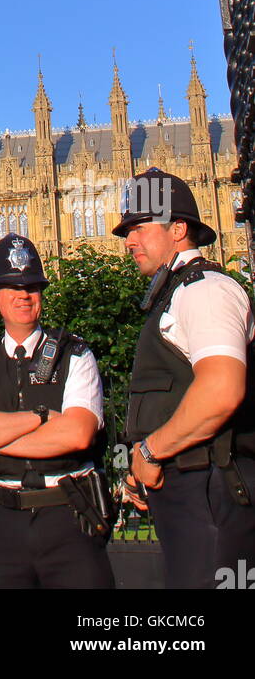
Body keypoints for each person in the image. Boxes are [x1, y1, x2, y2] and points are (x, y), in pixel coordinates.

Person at [113, 166, 255, 589]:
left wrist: (152, 451)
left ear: (178, 229)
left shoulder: (205, 289)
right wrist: (141, 470)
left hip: (215, 497)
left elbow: (221, 390)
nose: (129, 240)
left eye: (139, 227)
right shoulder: (176, 295)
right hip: (192, 498)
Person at [0, 232, 115, 589]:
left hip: (69, 515)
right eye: (12, 288)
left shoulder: (76, 355)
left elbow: (77, 434)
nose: (24, 295)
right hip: (4, 522)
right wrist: (41, 418)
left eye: (32, 287)